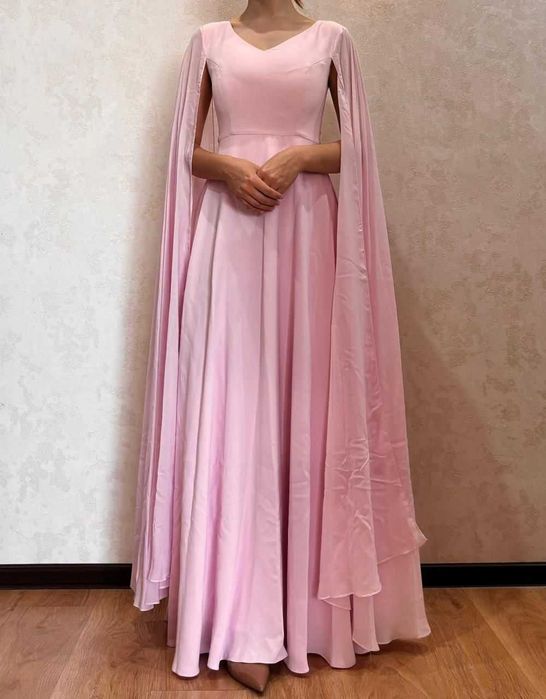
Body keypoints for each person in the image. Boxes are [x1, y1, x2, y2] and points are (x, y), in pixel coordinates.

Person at [130, 1, 431, 693]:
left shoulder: (333, 40)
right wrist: (228, 168)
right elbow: (185, 150)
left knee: (309, 408)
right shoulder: (207, 42)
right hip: (229, 237)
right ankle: (240, 619)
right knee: (230, 410)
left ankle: (308, 616)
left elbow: (359, 146)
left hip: (308, 239)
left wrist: (300, 154)